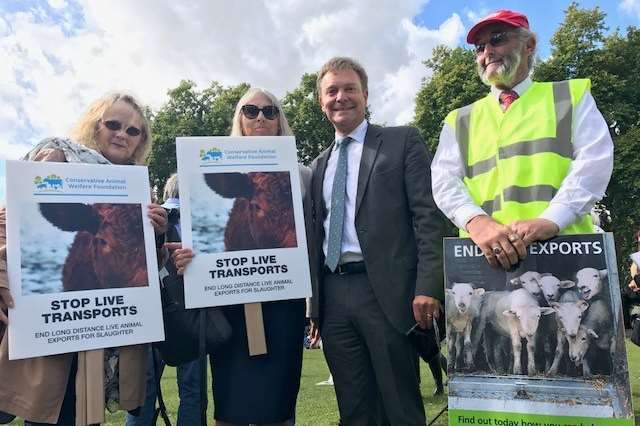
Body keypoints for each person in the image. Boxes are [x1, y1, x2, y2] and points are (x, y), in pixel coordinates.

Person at [0, 93, 167, 425]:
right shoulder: (57, 158)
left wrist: (157, 235)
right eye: (114, 124)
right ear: (95, 125)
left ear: (140, 141)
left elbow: (148, 266)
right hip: (55, 320)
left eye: (133, 131)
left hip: (109, 325)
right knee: (51, 408)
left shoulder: (140, 190)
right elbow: (9, 220)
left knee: (85, 416)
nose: (122, 134)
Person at [307, 56, 444, 425]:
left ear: (365, 94)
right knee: (354, 409)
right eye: (331, 91)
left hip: (387, 292)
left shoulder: (402, 141)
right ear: (321, 102)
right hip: (333, 298)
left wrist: (428, 285)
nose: (341, 97)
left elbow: (427, 216)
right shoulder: (319, 165)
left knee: (399, 405)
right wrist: (315, 307)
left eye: (349, 88)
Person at [171, 87, 310, 426]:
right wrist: (188, 258)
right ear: (239, 118)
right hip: (229, 301)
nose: (260, 117)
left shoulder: (303, 175)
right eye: (250, 110)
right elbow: (202, 236)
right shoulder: (208, 169)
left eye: (269, 111)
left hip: (283, 303)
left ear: (280, 120)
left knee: (279, 405)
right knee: (229, 406)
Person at [431, 9, 613, 267]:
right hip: (487, 260)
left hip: (564, 253)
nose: (487, 53)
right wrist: (476, 221)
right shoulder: (459, 119)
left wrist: (553, 219)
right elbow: (443, 181)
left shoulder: (569, 97)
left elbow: (595, 162)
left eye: (497, 40)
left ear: (529, 45)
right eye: (479, 48)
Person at [126, 173, 201, 426]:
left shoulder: (148, 216)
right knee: (193, 390)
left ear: (168, 192)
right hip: (191, 312)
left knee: (144, 391)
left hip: (150, 310)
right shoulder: (200, 220)